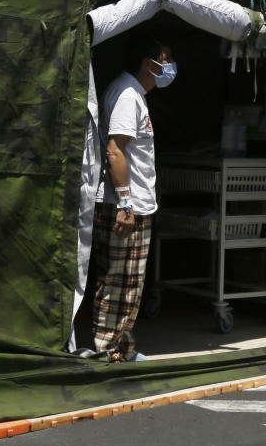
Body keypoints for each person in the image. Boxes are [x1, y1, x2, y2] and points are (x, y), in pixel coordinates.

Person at [91, 36, 175, 362]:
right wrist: (125, 203)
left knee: (129, 284)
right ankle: (106, 352)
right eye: (165, 61)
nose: (169, 69)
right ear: (147, 62)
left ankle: (123, 348)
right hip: (124, 207)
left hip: (131, 205)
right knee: (118, 283)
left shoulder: (131, 93)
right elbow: (115, 150)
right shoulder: (127, 96)